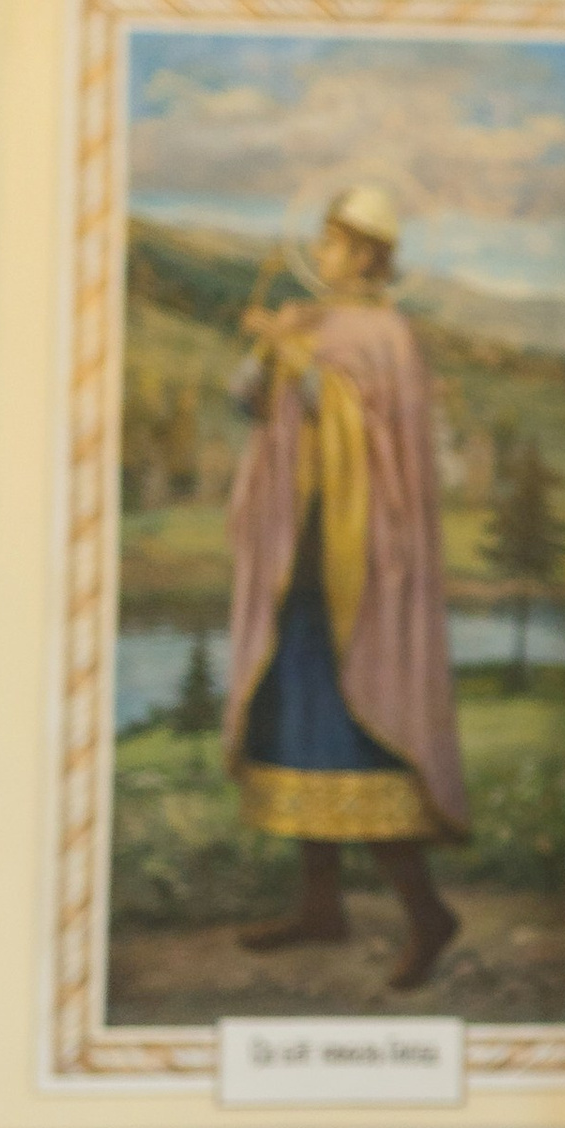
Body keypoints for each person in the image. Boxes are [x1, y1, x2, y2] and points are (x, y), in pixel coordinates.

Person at [223, 183, 467, 990]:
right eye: (321, 242)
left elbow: (366, 433)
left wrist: (293, 357)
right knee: (295, 724)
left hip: (359, 570)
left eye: (333, 244)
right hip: (300, 555)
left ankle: (427, 913)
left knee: (360, 729)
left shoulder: (387, 335)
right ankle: (319, 906)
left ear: (366, 253)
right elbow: (253, 406)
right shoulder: (311, 322)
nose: (321, 257)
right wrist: (268, 352)